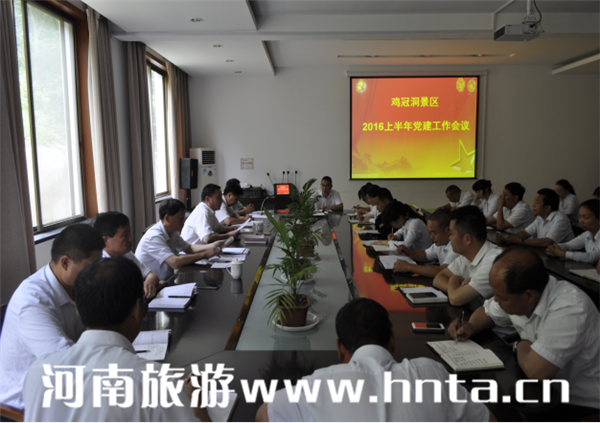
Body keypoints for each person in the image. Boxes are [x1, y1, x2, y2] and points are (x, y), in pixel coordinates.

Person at [23, 257, 209, 421]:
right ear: (137, 309)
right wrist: (196, 403)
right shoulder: (154, 383)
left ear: (78, 309)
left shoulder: (38, 372)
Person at [256, 298, 494, 422]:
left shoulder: (316, 385)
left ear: (340, 349)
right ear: (393, 340)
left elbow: (264, 415)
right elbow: (488, 419)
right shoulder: (432, 373)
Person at [449, 248, 599, 420]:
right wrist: (472, 326)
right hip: (545, 392)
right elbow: (487, 312)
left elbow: (536, 371)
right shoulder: (519, 294)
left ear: (528, 296)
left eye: (501, 297)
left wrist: (520, 344)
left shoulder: (571, 308)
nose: (495, 299)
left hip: (583, 405)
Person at [0, 224, 104, 409]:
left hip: (64, 385)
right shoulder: (32, 302)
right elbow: (65, 363)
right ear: (65, 263)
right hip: (28, 403)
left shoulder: (77, 284)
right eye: (91, 267)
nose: (96, 274)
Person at [136, 198, 222, 281]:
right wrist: (205, 254)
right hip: (152, 287)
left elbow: (189, 248)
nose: (183, 221)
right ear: (167, 218)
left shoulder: (172, 232)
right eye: (181, 217)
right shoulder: (154, 237)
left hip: (166, 282)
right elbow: (175, 262)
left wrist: (212, 246)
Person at [434, 206, 502, 307]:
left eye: (452, 233)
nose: (449, 237)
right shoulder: (466, 256)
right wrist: (457, 289)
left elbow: (455, 299)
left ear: (467, 239)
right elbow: (438, 278)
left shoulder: (494, 261)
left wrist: (454, 279)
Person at [93, 211, 162, 299]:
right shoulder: (101, 266)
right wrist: (158, 286)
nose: (130, 238)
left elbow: (151, 275)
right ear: (105, 240)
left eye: (129, 232)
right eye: (125, 234)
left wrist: (149, 283)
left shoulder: (126, 254)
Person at [393, 210, 459, 277]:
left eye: (434, 233)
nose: (431, 237)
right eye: (430, 233)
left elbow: (443, 271)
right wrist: (408, 252)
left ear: (448, 230)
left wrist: (408, 267)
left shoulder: (456, 246)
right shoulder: (441, 243)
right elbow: (425, 255)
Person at [500, 188, 574, 248]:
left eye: (537, 202)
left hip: (563, 259)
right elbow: (525, 233)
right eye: (534, 201)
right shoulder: (540, 217)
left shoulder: (560, 219)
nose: (533, 205)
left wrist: (520, 241)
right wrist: (510, 238)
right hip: (546, 253)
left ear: (547, 208)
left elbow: (547, 242)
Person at [547, 199, 600, 264]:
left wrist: (563, 253)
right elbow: (568, 245)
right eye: (579, 217)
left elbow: (591, 257)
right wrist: (555, 248)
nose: (581, 221)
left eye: (586, 217)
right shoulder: (587, 234)